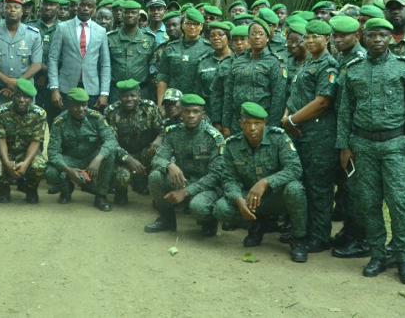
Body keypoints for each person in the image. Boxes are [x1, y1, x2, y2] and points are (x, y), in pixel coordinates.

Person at [336, 17, 405, 285]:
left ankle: (403, 259)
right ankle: (377, 255)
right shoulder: (353, 70)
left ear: (390, 38)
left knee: (399, 202)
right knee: (369, 202)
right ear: (364, 37)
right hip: (362, 145)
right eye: (372, 35)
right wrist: (344, 146)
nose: (377, 40)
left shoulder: (404, 68)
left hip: (395, 145)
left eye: (383, 36)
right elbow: (344, 112)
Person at [214, 102, 308, 261]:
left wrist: (266, 182)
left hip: (277, 196)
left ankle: (298, 239)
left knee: (295, 189)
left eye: (257, 123)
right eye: (247, 123)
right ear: (240, 124)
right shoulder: (232, 145)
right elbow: (229, 179)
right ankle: (256, 226)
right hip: (251, 198)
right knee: (222, 208)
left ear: (265, 123)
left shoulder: (278, 138)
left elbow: (295, 169)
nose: (252, 128)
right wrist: (238, 200)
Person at [282, 20, 338, 254]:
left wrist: (292, 120)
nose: (311, 40)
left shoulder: (328, 65)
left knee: (319, 188)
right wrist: (287, 117)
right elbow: (294, 95)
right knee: (303, 183)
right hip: (300, 134)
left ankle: (320, 236)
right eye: (308, 36)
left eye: (317, 36)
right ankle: (303, 230)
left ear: (327, 39)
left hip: (318, 136)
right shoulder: (307, 63)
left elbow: (323, 101)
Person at [144, 94, 223, 235]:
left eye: (196, 111)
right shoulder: (173, 133)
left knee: (198, 207)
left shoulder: (213, 137)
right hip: (183, 180)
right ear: (181, 113)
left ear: (202, 114)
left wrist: (185, 192)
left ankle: (209, 222)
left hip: (206, 186)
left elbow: (216, 176)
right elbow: (157, 159)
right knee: (155, 176)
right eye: (187, 111)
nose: (191, 115)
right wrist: (169, 165)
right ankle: (167, 220)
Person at [328, 15, 369, 260]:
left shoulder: (361, 60)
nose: (338, 39)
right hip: (341, 131)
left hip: (356, 134)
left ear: (357, 36)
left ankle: (361, 239)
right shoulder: (342, 58)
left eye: (343, 35)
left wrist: (349, 140)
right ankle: (349, 231)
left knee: (358, 188)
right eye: (335, 35)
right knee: (346, 187)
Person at [46, 88, 118, 211]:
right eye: (76, 106)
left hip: (91, 157)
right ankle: (66, 189)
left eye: (84, 105)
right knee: (50, 172)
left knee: (109, 155)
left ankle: (101, 196)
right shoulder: (59, 122)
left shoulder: (96, 118)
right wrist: (69, 171)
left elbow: (111, 140)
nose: (81, 109)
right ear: (68, 105)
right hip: (71, 159)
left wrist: (98, 159)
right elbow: (53, 152)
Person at [222, 19, 287, 136]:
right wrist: (226, 124)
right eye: (253, 34)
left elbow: (279, 98)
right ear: (248, 38)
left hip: (262, 122)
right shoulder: (238, 61)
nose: (257, 37)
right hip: (238, 122)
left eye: (261, 34)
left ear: (267, 38)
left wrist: (272, 127)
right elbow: (228, 93)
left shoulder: (275, 62)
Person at [48, 0, 111, 110]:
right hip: (66, 87)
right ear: (77, 6)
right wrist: (54, 88)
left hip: (91, 89)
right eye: (82, 5)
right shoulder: (63, 27)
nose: (85, 8)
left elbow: (105, 64)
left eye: (89, 6)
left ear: (94, 9)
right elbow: (53, 59)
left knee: (90, 126)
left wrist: (104, 93)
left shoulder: (101, 31)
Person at [0, 0, 44, 114]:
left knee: (25, 128)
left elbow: (37, 64)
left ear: (22, 12)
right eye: (9, 7)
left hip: (25, 92)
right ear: (3, 11)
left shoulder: (33, 34)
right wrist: (8, 81)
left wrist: (17, 84)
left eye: (16, 7)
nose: (12, 10)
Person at [105, 79, 163, 204]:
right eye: (125, 96)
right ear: (119, 97)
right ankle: (121, 192)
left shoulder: (150, 108)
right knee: (122, 177)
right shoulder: (111, 112)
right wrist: (128, 158)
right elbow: (110, 142)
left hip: (145, 152)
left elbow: (163, 130)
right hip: (122, 156)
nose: (129, 99)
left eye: (133, 95)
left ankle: (147, 186)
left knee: (159, 151)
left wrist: (158, 140)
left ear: (139, 95)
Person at [0, 79, 47, 203]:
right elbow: (0, 139)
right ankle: (4, 188)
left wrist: (26, 163)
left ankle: (31, 189)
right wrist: (7, 162)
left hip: (27, 153)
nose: (22, 100)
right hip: (7, 151)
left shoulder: (39, 114)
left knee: (39, 165)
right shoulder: (1, 111)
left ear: (32, 99)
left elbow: (36, 141)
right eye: (19, 95)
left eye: (27, 97)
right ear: (13, 95)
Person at [155, 7, 212, 109]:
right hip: (173, 103)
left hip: (198, 103)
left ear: (201, 27)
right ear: (182, 25)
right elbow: (163, 77)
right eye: (188, 23)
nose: (192, 27)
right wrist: (160, 105)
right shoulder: (171, 47)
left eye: (196, 24)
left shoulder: (209, 49)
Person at [107, 0, 156, 102]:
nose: (130, 15)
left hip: (142, 91)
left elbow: (153, 67)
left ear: (139, 16)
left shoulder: (150, 39)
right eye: (126, 12)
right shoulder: (110, 38)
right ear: (122, 14)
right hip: (117, 91)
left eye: (133, 12)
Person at [209, 25, 247, 136]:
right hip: (230, 120)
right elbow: (216, 94)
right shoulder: (225, 64)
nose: (239, 43)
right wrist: (217, 122)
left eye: (242, 39)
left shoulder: (261, 63)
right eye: (235, 40)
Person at [27, 0, 61, 115]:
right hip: (30, 78)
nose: (47, 7)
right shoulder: (28, 27)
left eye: (51, 5)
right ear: (40, 5)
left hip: (54, 82)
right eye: (45, 4)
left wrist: (46, 75)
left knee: (52, 116)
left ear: (57, 7)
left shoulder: (63, 29)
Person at [197, 21, 233, 119]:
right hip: (209, 114)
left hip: (232, 114)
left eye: (220, 35)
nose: (216, 38)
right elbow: (199, 90)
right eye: (212, 36)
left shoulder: (237, 60)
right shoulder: (203, 62)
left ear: (228, 38)